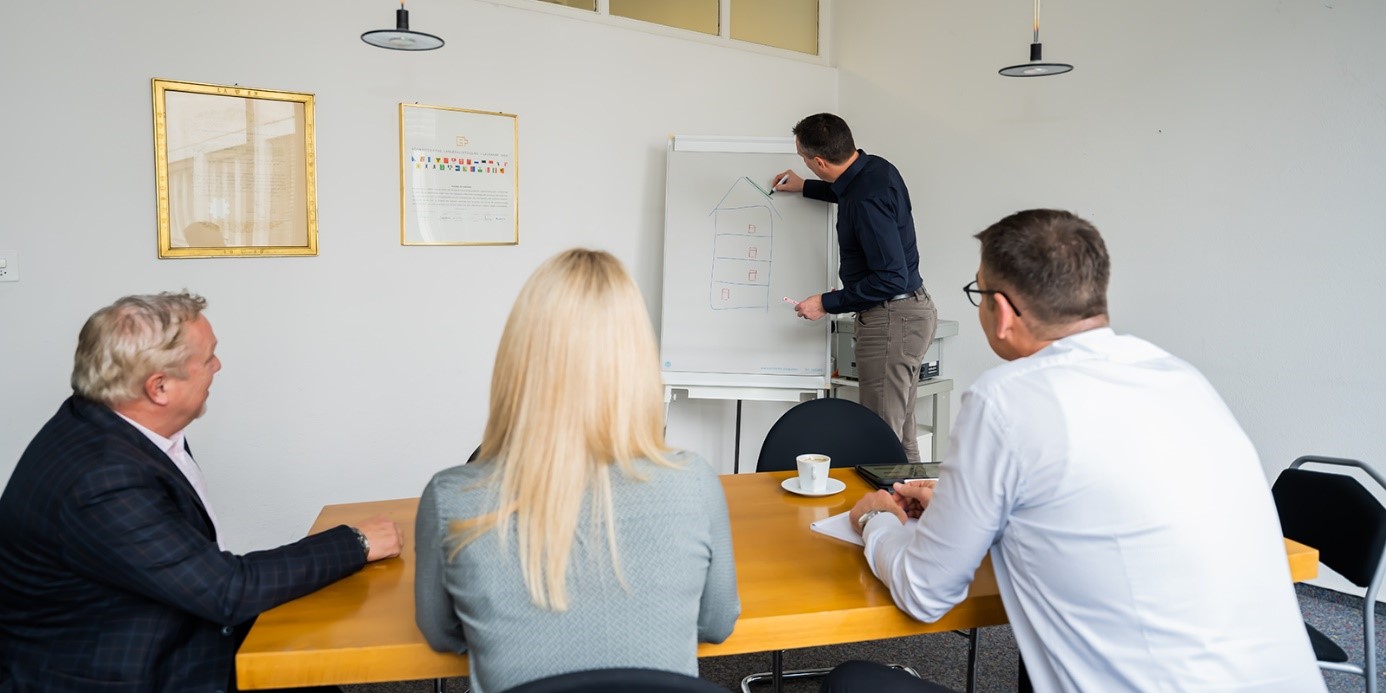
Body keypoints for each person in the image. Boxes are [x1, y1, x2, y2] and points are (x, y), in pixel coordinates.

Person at [827, 210, 1324, 692]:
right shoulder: (1180, 378)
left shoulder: (1005, 398)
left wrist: (876, 519)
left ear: (1001, 312)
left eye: (978, 293)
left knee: (849, 681)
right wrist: (961, 509)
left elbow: (924, 593)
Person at [0, 292, 403, 692]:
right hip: (124, 672)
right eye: (208, 358)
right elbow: (226, 591)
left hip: (162, 623)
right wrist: (358, 541)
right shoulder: (103, 478)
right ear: (159, 388)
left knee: (312, 666)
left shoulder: (112, 422)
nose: (218, 366)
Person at [415, 248, 740, 693]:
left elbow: (442, 634)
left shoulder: (450, 496)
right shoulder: (695, 482)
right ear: (637, 362)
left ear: (517, 361)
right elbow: (717, 624)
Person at [771, 113, 937, 464]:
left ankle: (885, 517)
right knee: (899, 435)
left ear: (818, 161)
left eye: (804, 158)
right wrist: (805, 186)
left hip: (891, 319)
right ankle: (912, 514)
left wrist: (826, 303)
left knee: (879, 437)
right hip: (908, 313)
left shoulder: (865, 200)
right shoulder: (875, 168)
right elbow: (845, 190)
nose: (804, 163)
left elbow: (889, 277)